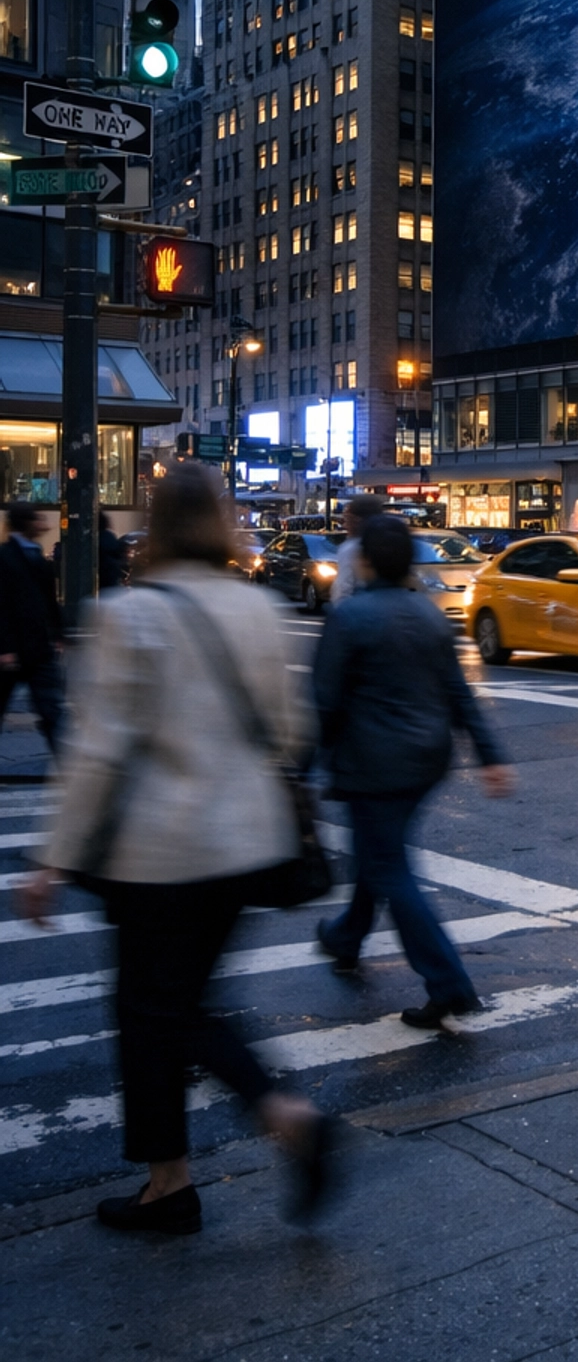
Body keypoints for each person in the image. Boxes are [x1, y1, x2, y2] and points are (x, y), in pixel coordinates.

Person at [19, 465, 334, 1236]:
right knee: (171, 1006)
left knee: (157, 1007)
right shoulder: (259, 609)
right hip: (249, 845)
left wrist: (52, 857)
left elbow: (97, 750)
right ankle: (172, 1182)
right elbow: (293, 732)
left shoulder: (131, 614)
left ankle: (275, 1121)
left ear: (155, 527)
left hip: (159, 852)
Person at [313, 510, 512, 1025]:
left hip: (373, 762)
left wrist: (302, 766)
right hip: (427, 757)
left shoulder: (349, 617)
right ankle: (346, 936)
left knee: (388, 865)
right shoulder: (427, 615)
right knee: (379, 852)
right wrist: (490, 756)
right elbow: (459, 693)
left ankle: (448, 983)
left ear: (366, 562)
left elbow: (325, 702)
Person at [0, 500, 65, 754]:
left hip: (32, 646)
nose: (42, 525)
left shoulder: (29, 554)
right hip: (21, 646)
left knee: (52, 710)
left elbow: (48, 600)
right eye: (37, 520)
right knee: (51, 709)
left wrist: (56, 633)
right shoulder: (14, 557)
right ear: (27, 524)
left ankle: (66, 763)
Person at [328, 491, 386, 602]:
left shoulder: (350, 549)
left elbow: (343, 590)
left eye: (348, 519)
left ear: (357, 521)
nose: (345, 525)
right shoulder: (391, 542)